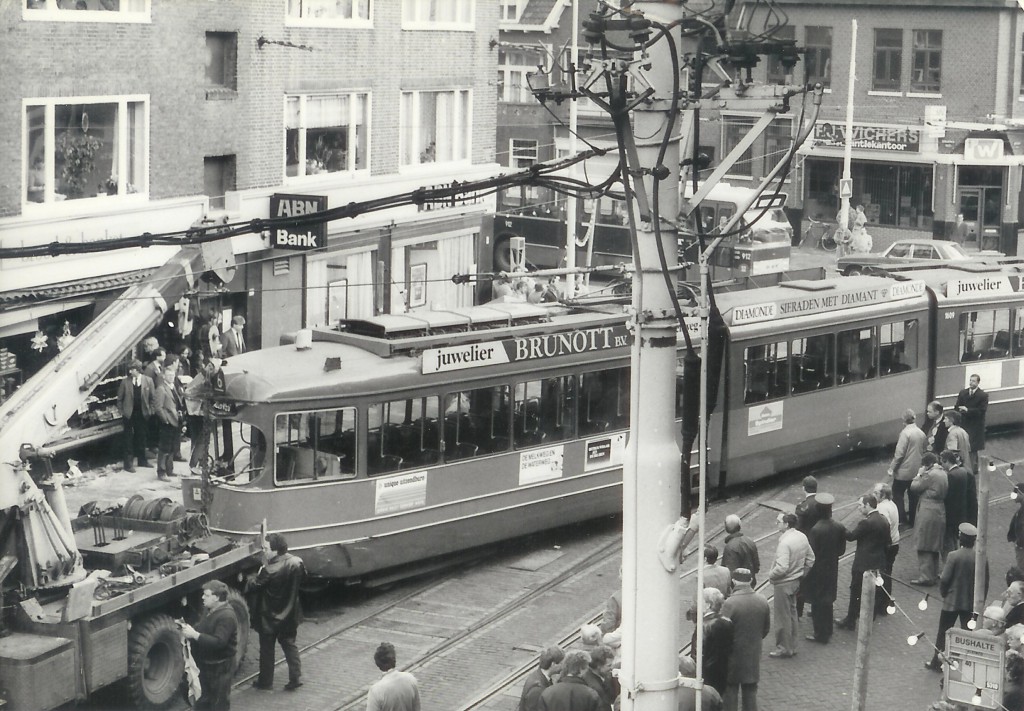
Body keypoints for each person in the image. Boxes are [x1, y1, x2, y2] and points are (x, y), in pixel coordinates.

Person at [248, 532, 306, 691]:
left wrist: (252, 577)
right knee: (290, 645)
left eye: (266, 548)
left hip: (269, 616)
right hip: (290, 614)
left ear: (275, 550)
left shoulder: (269, 569)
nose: (264, 550)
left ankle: (265, 682)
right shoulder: (297, 562)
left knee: (267, 649)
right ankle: (295, 678)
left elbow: (255, 586)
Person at [925, 523, 987, 671]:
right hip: (970, 603)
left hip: (951, 602)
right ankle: (965, 666)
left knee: (944, 633)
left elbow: (945, 579)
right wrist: (980, 601)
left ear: (960, 538)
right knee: (967, 635)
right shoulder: (981, 557)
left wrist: (944, 593)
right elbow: (985, 582)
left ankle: (937, 662)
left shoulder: (953, 556)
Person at [179, 580, 238, 711]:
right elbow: (202, 627)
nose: (202, 597)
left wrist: (195, 635)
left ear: (216, 597)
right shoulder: (210, 610)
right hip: (208, 666)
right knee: (203, 701)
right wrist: (189, 630)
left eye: (206, 595)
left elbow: (219, 642)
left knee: (218, 703)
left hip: (220, 668)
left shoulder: (227, 616)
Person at [835, 493, 890, 630]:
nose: (859, 508)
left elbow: (852, 536)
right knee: (874, 591)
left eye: (860, 505)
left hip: (862, 564)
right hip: (878, 563)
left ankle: (850, 620)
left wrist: (841, 528)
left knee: (855, 591)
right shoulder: (884, 520)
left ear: (868, 505)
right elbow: (888, 542)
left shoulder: (866, 522)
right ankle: (870, 618)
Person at [720, 568, 770, 711]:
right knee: (750, 692)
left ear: (734, 581)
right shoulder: (762, 600)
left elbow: (723, 632)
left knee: (730, 692)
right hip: (753, 654)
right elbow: (765, 630)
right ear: (750, 580)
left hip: (732, 656)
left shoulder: (730, 603)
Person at [767, 512, 814, 658]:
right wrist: (801, 575)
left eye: (779, 521)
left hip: (783, 584)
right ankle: (793, 645)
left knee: (782, 617)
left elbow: (782, 567)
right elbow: (811, 559)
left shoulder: (784, 543)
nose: (777, 524)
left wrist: (771, 576)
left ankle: (783, 648)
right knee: (792, 614)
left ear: (786, 524)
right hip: (795, 582)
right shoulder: (802, 537)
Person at [804, 493, 847, 642]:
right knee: (828, 600)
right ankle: (828, 630)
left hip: (817, 571)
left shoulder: (816, 530)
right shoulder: (839, 526)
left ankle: (820, 634)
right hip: (832, 568)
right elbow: (842, 551)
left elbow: (811, 553)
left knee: (817, 602)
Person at [910, 452, 950, 586]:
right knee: (933, 544)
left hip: (927, 510)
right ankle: (932, 574)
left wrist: (919, 474)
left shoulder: (929, 474)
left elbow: (914, 487)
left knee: (924, 542)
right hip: (939, 509)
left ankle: (926, 576)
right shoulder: (943, 472)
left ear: (927, 464)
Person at [887, 408, 927, 527]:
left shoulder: (905, 433)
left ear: (903, 420)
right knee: (913, 495)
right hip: (916, 471)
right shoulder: (921, 433)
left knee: (897, 494)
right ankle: (913, 519)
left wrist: (892, 468)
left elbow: (899, 454)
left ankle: (901, 518)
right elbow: (924, 450)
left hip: (903, 472)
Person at [116, 359, 154, 472]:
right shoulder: (125, 382)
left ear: (137, 370)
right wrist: (123, 412)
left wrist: (151, 411)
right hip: (129, 415)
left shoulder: (148, 381)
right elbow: (119, 399)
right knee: (128, 439)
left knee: (141, 437)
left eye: (132, 369)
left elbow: (152, 398)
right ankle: (128, 464)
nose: (130, 372)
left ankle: (142, 460)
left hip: (143, 414)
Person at [941, 449, 978, 561]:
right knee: (954, 540)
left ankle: (951, 564)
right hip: (961, 514)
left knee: (949, 542)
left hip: (952, 515)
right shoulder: (964, 472)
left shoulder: (953, 475)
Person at [872, 483, 901, 618]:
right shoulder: (892, 504)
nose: (873, 495)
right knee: (887, 574)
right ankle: (886, 603)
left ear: (882, 495)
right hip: (895, 543)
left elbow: (884, 526)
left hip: (887, 545)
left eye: (876, 493)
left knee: (881, 575)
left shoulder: (882, 507)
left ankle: (880, 606)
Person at [367, 642, 420, 711]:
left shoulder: (375, 691)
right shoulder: (410, 679)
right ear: (394, 660)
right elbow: (417, 708)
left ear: (378, 664)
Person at [152, 365, 181, 482]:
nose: (171, 377)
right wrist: (166, 420)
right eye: (169, 375)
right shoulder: (161, 389)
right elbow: (158, 407)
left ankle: (170, 469)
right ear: (164, 376)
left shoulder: (173, 387)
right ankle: (161, 471)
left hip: (175, 421)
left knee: (172, 447)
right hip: (167, 423)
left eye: (173, 375)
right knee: (164, 448)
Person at [955, 373, 988, 473]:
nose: (971, 382)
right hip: (964, 424)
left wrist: (968, 410)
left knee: (973, 449)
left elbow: (982, 410)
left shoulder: (983, 395)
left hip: (975, 426)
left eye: (973, 381)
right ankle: (965, 467)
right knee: (963, 446)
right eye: (970, 380)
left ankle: (972, 470)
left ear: (978, 382)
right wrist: (960, 409)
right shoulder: (963, 393)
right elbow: (956, 406)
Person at [519, 646, 565, 711]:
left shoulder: (540, 676)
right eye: (562, 663)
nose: (563, 666)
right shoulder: (537, 689)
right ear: (553, 664)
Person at [722, 515, 760, 587]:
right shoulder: (750, 541)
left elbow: (729, 571)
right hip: (750, 581)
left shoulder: (729, 547)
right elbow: (756, 566)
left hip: (737, 586)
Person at [581, 645, 618, 711]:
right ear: (598, 666)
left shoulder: (603, 676)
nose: (611, 668)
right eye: (609, 665)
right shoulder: (593, 686)